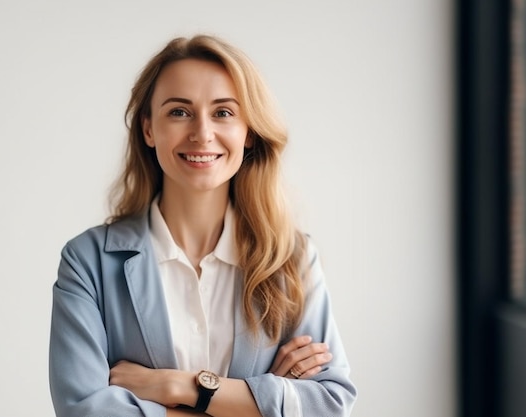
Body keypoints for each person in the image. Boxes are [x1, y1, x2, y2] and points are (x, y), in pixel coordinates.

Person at [49, 34, 357, 417]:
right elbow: (84, 411)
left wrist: (176, 386)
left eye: (224, 113)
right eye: (179, 112)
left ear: (249, 132)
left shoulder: (291, 258)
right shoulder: (88, 261)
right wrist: (252, 403)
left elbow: (329, 404)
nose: (202, 133)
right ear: (148, 128)